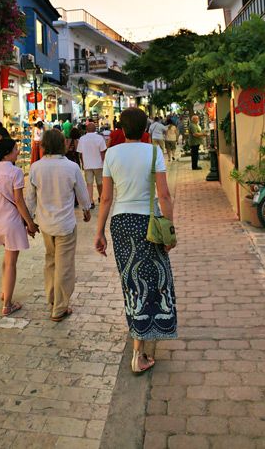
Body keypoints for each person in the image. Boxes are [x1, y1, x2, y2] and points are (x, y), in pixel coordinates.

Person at [95, 108, 176, 373]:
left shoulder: (112, 154)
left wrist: (99, 232)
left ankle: (138, 342)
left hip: (121, 222)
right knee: (155, 278)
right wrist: (170, 228)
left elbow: (106, 198)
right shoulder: (153, 152)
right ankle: (142, 346)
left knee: (131, 281)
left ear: (121, 127)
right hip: (148, 222)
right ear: (144, 128)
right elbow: (163, 195)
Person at [27, 129, 91, 321]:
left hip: (45, 223)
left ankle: (52, 299)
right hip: (65, 224)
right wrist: (87, 209)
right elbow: (82, 193)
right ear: (63, 144)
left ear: (45, 145)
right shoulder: (70, 167)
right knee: (64, 266)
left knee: (51, 261)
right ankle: (59, 308)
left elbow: (30, 198)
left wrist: (29, 221)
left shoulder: (36, 167)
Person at [0, 139, 39, 316]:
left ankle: (4, 291)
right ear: (7, 152)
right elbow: (19, 201)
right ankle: (7, 304)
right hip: (12, 223)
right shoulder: (16, 172)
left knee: (7, 261)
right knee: (11, 263)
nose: (17, 151)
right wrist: (30, 222)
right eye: (15, 149)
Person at [77, 121, 107, 208]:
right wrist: (102, 162)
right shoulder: (100, 138)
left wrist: (83, 163)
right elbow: (102, 152)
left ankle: (90, 201)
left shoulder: (82, 139)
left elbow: (81, 153)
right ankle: (101, 198)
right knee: (99, 183)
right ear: (95, 129)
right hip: (98, 164)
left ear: (86, 129)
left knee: (89, 184)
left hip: (87, 164)